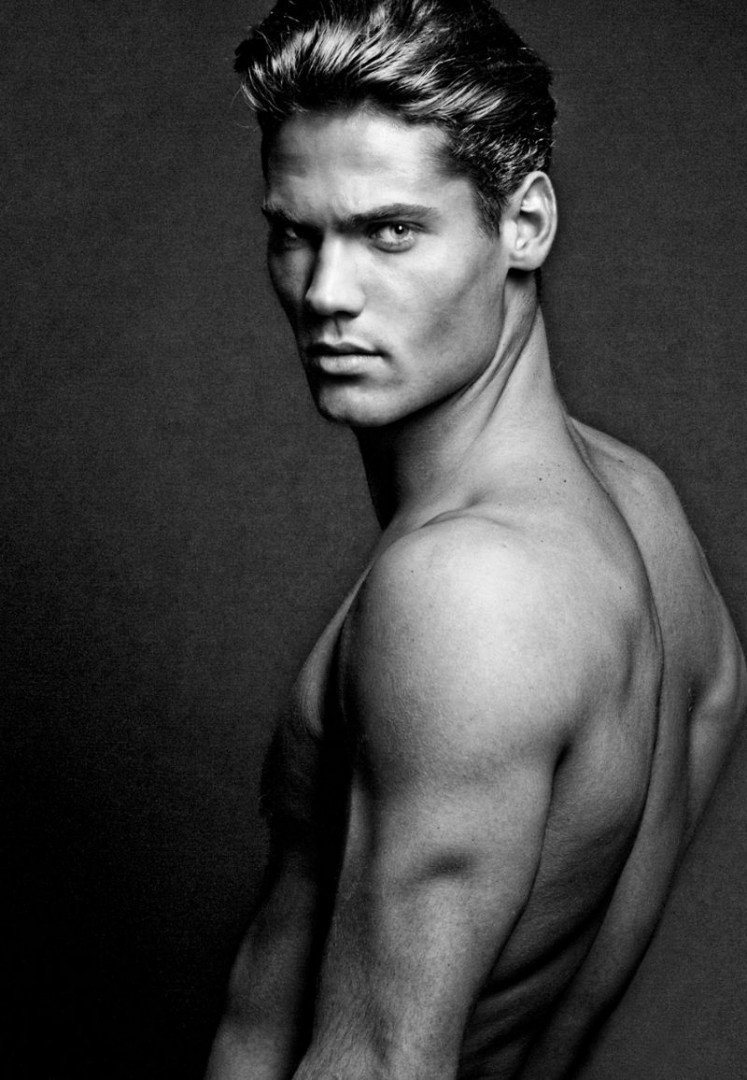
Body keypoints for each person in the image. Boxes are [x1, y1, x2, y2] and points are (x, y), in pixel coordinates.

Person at [205, 1, 746, 1077]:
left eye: (390, 231)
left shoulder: (467, 590)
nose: (326, 294)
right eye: (295, 233)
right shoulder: (640, 508)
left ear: (524, 224)